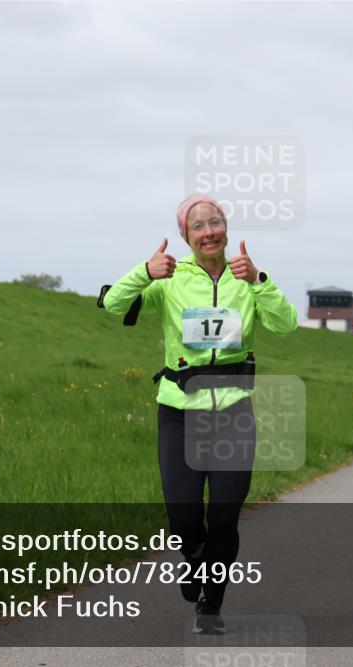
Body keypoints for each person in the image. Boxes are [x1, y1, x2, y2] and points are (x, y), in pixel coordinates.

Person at [101, 195, 297, 634]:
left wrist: (261, 280)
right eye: (198, 225)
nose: (209, 231)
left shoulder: (247, 278)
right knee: (184, 518)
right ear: (187, 235)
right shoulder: (170, 279)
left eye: (216, 222)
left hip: (233, 413)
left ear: (226, 229)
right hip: (179, 413)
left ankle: (211, 604)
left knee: (224, 517)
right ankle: (194, 562)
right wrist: (144, 272)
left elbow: (286, 324)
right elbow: (114, 303)